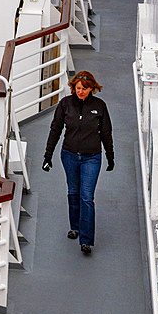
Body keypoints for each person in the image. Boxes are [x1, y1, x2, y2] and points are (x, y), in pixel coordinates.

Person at [42, 70, 114, 255]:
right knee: (73, 192)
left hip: (92, 157)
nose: (81, 91)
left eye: (85, 89)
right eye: (78, 88)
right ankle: (75, 227)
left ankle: (86, 240)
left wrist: (110, 156)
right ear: (73, 87)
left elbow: (106, 133)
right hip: (70, 155)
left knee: (87, 197)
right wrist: (47, 155)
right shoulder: (65, 104)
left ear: (92, 89)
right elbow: (55, 129)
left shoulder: (100, 106)